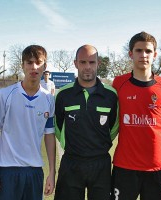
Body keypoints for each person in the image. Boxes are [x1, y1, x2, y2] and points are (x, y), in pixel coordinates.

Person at [111, 32, 161, 200]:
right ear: (131, 54)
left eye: (148, 51)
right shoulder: (118, 83)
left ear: (155, 54)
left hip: (156, 167)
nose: (143, 55)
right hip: (124, 166)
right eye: (139, 50)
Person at [0, 45, 56, 200]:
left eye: (38, 62)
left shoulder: (49, 99)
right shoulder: (5, 95)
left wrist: (52, 173)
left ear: (45, 66)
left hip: (34, 172)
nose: (34, 67)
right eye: (29, 62)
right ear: (22, 65)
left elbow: (49, 136)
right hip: (7, 171)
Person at [54, 44, 119, 200]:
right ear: (75, 63)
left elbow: (114, 126)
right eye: (83, 62)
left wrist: (98, 145)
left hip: (100, 163)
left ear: (98, 64)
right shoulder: (63, 94)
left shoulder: (111, 95)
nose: (87, 67)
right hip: (71, 162)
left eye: (92, 62)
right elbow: (58, 126)